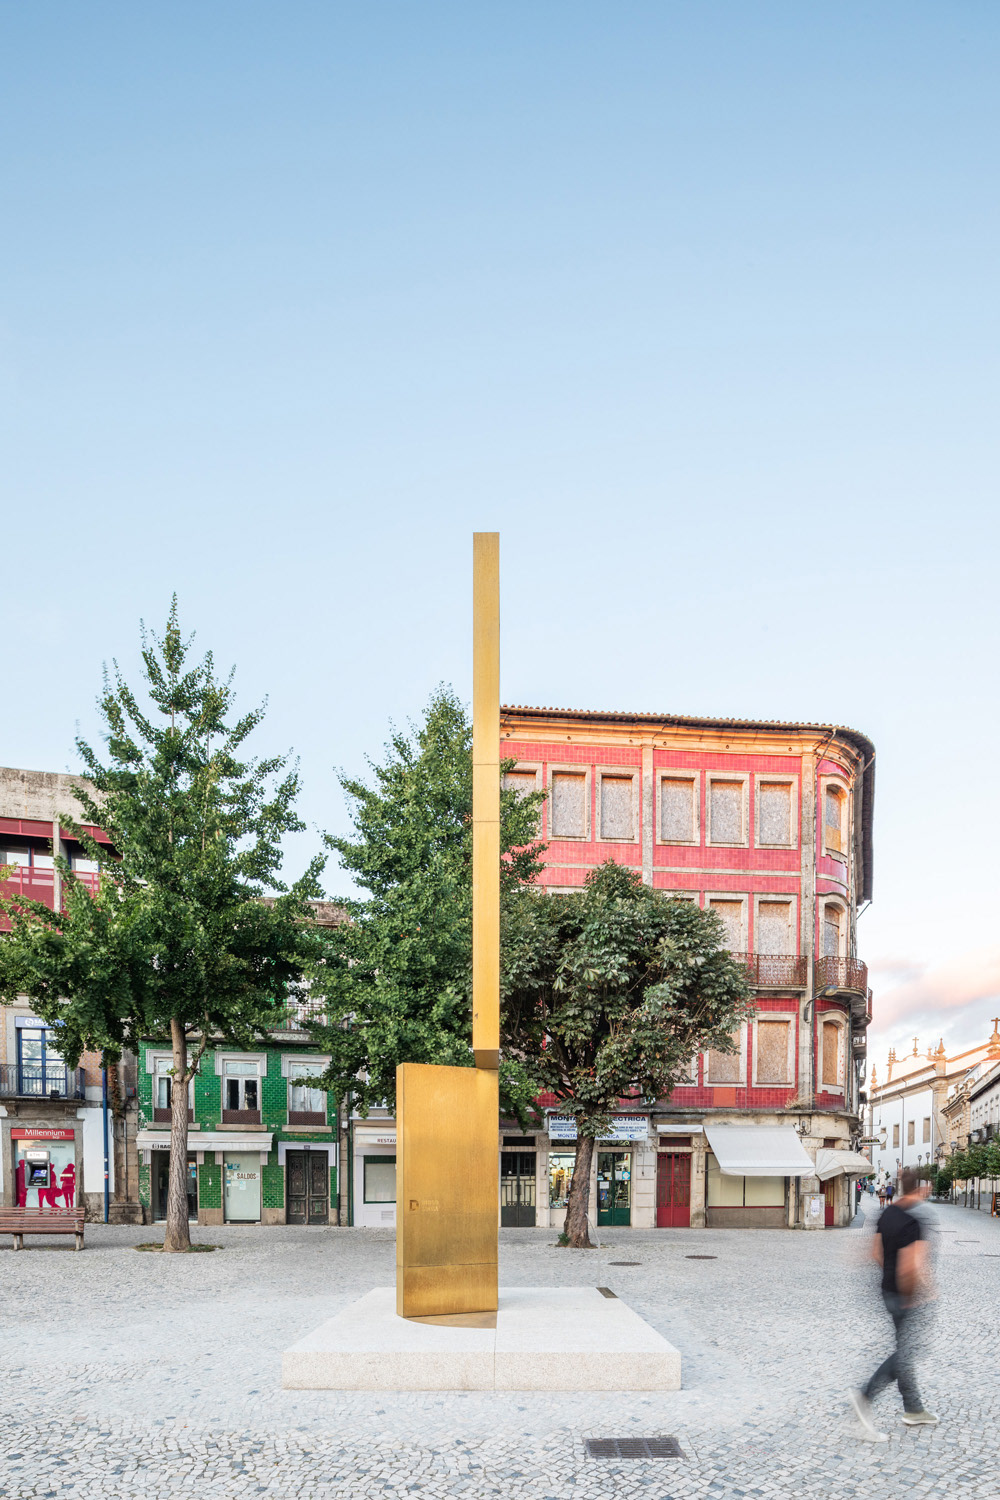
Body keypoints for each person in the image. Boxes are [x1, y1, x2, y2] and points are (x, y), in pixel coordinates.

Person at [849, 1167, 938, 1440]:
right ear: (921, 1189)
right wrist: (922, 1293)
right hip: (907, 1295)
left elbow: (875, 1252)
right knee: (908, 1352)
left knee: (905, 1349)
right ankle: (865, 1396)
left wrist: (891, 1276)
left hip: (887, 1290)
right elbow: (912, 1266)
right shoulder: (915, 1222)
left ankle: (913, 1408)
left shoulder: (887, 1213)